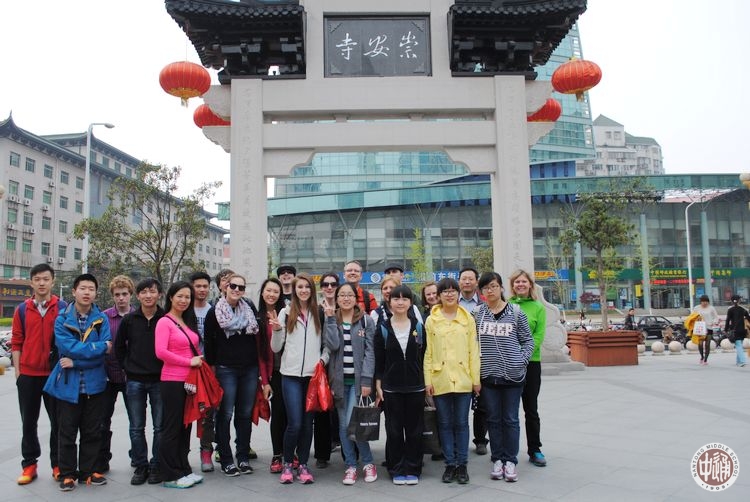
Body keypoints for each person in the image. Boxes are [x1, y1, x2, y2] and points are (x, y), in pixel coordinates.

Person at [43, 273, 112, 491]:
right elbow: (67, 348)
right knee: (67, 432)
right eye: (83, 288)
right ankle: (67, 474)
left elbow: (104, 352)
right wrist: (96, 348)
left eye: (91, 289)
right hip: (68, 385)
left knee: (92, 431)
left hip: (94, 384)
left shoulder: (101, 319)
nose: (87, 292)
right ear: (74, 291)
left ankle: (88, 472)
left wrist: (76, 362)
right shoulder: (62, 319)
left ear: (95, 293)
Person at [473, 272, 533, 483]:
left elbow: (528, 341)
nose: (490, 290)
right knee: (493, 419)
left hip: (513, 377)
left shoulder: (516, 312)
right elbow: (472, 343)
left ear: (501, 287)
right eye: (485, 288)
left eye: (493, 286)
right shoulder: (477, 314)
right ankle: (497, 459)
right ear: (481, 292)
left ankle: (510, 460)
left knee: (510, 419)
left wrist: (521, 361)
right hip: (488, 375)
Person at [270, 273, 329, 485]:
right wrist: (277, 330)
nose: (304, 290)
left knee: (307, 424)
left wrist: (322, 360)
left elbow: (326, 344)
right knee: (294, 423)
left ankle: (303, 464)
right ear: (294, 290)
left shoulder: (319, 312)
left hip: (312, 377)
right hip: (290, 375)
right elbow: (275, 347)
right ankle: (288, 463)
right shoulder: (286, 313)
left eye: (307, 287)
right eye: (300, 287)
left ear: (312, 290)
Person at [11, 263, 67, 485]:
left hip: (54, 375)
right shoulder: (22, 310)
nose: (42, 283)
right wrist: (18, 373)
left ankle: (58, 464)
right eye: (37, 279)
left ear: (52, 281)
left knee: (58, 422)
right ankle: (29, 465)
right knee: (28, 423)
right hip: (28, 375)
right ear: (31, 283)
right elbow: (17, 342)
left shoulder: (63, 307)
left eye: (46, 279)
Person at [204, 274, 263, 476]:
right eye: (233, 286)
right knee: (225, 414)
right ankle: (226, 459)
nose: (237, 290)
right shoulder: (215, 311)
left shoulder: (249, 309)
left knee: (245, 414)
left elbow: (256, 338)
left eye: (241, 287)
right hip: (225, 368)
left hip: (249, 368)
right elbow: (208, 342)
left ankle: (243, 457)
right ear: (225, 287)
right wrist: (212, 368)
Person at [424, 278, 480, 485]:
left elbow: (473, 351)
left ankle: (462, 464)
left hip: (463, 378)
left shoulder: (468, 319)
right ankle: (450, 464)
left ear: (458, 293)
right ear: (439, 296)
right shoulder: (432, 320)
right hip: (440, 378)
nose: (449, 294)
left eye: (453, 291)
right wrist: (427, 380)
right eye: (445, 291)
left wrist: (476, 379)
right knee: (445, 424)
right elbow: (428, 352)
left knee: (461, 423)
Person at [325, 282, 378, 485]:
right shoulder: (332, 318)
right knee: (343, 425)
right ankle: (351, 465)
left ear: (356, 298)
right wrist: (331, 319)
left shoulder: (365, 320)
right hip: (339, 382)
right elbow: (332, 346)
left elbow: (370, 352)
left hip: (358, 382)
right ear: (337, 298)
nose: (346, 298)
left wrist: (366, 380)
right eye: (342, 295)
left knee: (353, 423)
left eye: (350, 295)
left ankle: (368, 463)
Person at [115, 278, 165, 485]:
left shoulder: (166, 318)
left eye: (152, 291)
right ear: (137, 295)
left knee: (159, 426)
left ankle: (156, 465)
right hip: (135, 380)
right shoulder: (129, 319)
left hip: (160, 380)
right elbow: (119, 347)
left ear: (159, 294)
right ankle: (141, 465)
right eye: (143, 292)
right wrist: (127, 367)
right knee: (136, 426)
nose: (148, 295)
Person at [154, 281, 204, 489]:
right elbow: (161, 352)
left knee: (185, 426)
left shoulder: (185, 320)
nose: (184, 300)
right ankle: (170, 474)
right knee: (172, 428)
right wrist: (188, 362)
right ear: (171, 297)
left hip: (189, 381)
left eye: (187, 297)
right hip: (172, 380)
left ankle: (184, 469)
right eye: (180, 296)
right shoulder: (164, 322)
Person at [374, 285, 425, 485]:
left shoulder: (418, 327)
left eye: (405, 299)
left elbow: (424, 356)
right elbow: (379, 360)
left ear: (411, 302)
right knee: (394, 430)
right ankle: (396, 468)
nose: (400, 302)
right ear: (390, 301)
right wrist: (379, 384)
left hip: (416, 387)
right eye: (396, 299)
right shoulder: (383, 328)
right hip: (391, 387)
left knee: (414, 430)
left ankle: (413, 468)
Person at [508, 269, 548, 467]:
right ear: (512, 286)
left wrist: (523, 355)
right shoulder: (507, 305)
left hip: (531, 363)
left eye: (524, 282)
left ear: (530, 285)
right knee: (509, 410)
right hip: (509, 364)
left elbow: (539, 335)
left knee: (531, 408)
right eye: (517, 282)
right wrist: (513, 356)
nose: (520, 285)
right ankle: (507, 451)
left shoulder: (538, 307)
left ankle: (535, 449)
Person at [97, 275, 135, 473]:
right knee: (103, 420)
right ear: (112, 296)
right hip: (108, 376)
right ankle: (102, 459)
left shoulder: (137, 316)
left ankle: (137, 457)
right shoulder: (103, 317)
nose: (121, 298)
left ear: (131, 295)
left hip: (132, 376)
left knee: (136, 421)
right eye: (117, 294)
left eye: (125, 294)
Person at [257, 278, 287, 474]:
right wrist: (265, 381)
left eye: (276, 291)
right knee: (278, 413)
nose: (272, 294)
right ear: (262, 293)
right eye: (269, 290)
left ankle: (290, 452)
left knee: (292, 413)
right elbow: (260, 353)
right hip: (273, 373)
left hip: (291, 371)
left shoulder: (287, 313)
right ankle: (277, 454)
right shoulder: (257, 318)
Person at [190, 270, 218, 471]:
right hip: (187, 366)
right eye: (198, 286)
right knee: (184, 411)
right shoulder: (183, 310)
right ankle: (180, 453)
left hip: (209, 367)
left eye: (205, 286)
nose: (201, 289)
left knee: (208, 412)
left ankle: (206, 451)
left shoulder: (214, 311)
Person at [459, 267, 488, 455]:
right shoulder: (452, 302)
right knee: (458, 403)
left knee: (481, 403)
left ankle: (480, 440)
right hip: (457, 359)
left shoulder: (485, 303)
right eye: (464, 279)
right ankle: (458, 439)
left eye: (471, 279)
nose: (467, 282)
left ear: (477, 282)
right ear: (459, 282)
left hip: (480, 358)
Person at [313, 273, 340, 469]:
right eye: (325, 284)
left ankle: (349, 449)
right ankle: (322, 453)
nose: (329, 287)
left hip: (342, 364)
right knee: (322, 409)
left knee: (344, 408)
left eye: (333, 284)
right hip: (322, 364)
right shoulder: (316, 310)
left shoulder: (344, 307)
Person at [692, 294, 719, 365]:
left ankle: (705, 360)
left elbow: (716, 317)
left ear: (708, 302)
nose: (704, 303)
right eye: (703, 301)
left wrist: (714, 322)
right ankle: (702, 357)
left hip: (709, 328)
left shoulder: (711, 308)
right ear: (700, 302)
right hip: (700, 328)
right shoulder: (696, 308)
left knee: (707, 344)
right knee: (700, 344)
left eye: (706, 301)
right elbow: (692, 317)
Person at [724, 294, 750, 367]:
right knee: (739, 345)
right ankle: (738, 361)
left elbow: (727, 320)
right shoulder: (743, 309)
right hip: (743, 330)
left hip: (735, 330)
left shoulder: (730, 310)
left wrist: (726, 329)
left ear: (732, 301)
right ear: (739, 301)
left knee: (738, 346)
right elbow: (749, 319)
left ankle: (742, 361)